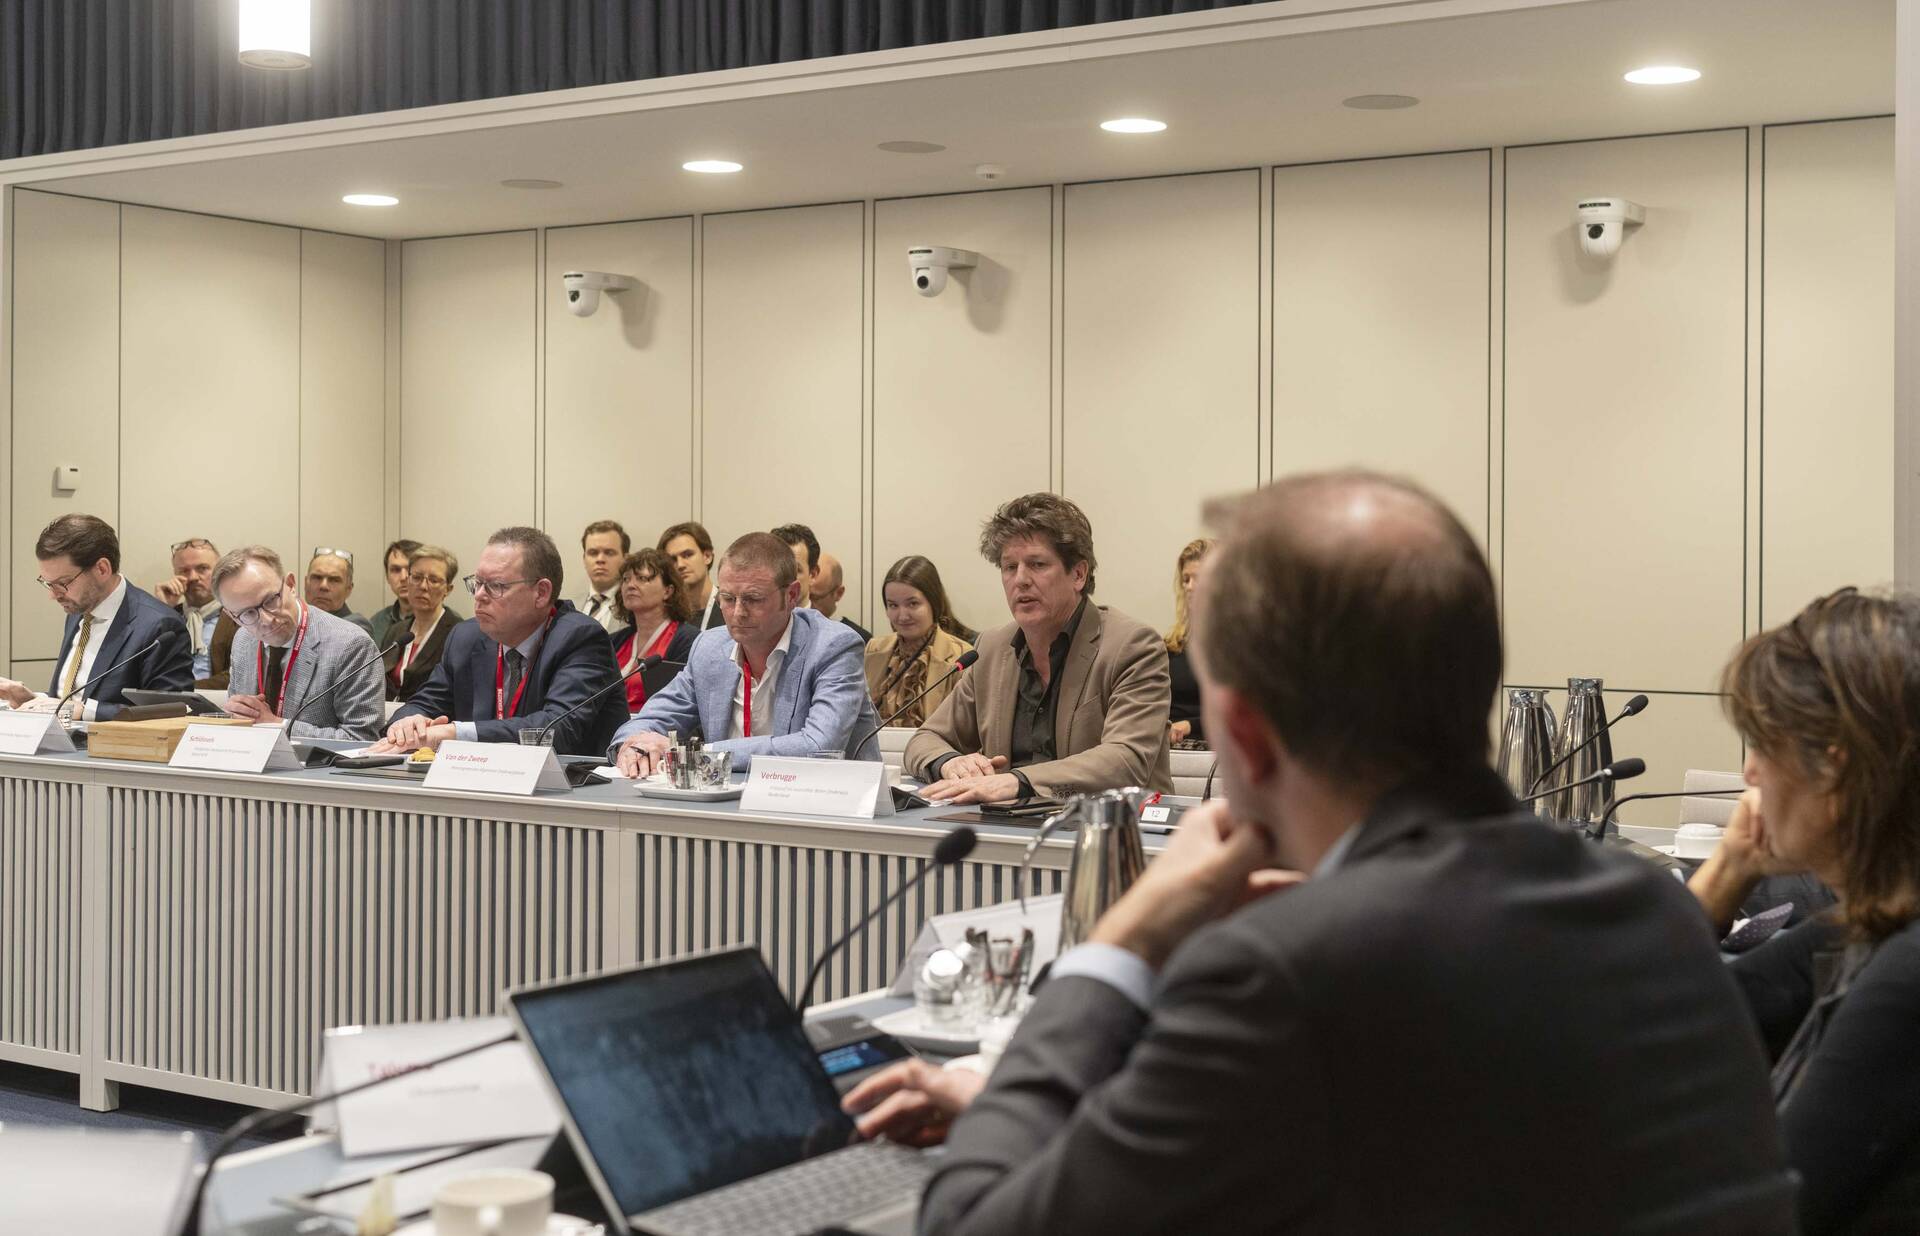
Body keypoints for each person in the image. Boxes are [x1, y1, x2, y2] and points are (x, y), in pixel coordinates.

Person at [852, 471, 1795, 1234]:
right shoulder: (1657, 916)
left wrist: (1113, 955)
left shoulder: (1285, 973)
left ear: (1247, 740)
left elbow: (971, 1222)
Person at [1686, 587, 1920, 1233]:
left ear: (1837, 775)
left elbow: (1768, 1218)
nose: (1749, 774)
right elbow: (1671, 1015)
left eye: (1762, 745)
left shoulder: (1907, 972)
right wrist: (1731, 867)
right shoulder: (1862, 926)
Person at [902, 493, 1172, 803]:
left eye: (1037, 565)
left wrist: (1017, 782)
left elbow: (1127, 760)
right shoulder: (991, 648)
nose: (1020, 580)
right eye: (1009, 567)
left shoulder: (1133, 646)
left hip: (1116, 834)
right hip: (1006, 833)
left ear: (1078, 574)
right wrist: (950, 762)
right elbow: (925, 740)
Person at [609, 533, 881, 774]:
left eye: (753, 599)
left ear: (791, 596)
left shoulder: (833, 646)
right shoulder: (711, 648)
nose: (738, 612)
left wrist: (704, 753)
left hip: (825, 810)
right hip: (730, 808)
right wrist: (633, 747)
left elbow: (819, 746)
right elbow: (646, 720)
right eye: (727, 599)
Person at [371, 526, 625, 757]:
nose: (479, 596)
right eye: (478, 583)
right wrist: (408, 721)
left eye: (496, 586)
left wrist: (455, 733)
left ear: (541, 592)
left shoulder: (580, 639)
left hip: (570, 795)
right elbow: (424, 703)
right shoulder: (466, 637)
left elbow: (557, 728)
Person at [0, 514, 194, 721]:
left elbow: (172, 712)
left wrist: (85, 712)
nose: (53, 595)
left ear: (102, 569)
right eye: (48, 583)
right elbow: (72, 701)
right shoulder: (78, 611)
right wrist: (32, 701)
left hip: (113, 750)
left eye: (62, 583)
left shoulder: (160, 626)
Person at [214, 546, 385, 741]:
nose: (266, 619)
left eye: (271, 600)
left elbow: (362, 738)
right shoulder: (243, 640)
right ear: (232, 616)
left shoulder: (351, 645)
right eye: (247, 614)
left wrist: (277, 726)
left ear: (290, 584)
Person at [865, 555, 973, 729]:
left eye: (913, 604)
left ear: (933, 603)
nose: (902, 615)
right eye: (893, 605)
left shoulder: (962, 656)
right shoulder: (873, 650)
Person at [608, 548, 698, 713]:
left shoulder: (688, 640)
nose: (631, 585)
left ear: (667, 591)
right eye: (626, 579)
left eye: (642, 578)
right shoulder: (613, 641)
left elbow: (680, 703)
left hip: (655, 730)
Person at [153, 536, 237, 688]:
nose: (192, 577)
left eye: (202, 568)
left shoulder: (240, 616)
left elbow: (238, 675)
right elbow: (150, 667)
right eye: (184, 571)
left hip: (220, 707)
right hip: (170, 706)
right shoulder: (170, 617)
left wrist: (186, 690)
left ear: (220, 571)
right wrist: (161, 609)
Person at [382, 546, 458, 704]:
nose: (423, 586)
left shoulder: (457, 633)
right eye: (416, 577)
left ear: (448, 589)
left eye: (434, 580)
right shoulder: (396, 631)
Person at [1164, 537, 1212, 744]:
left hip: (1217, 757)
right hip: (1172, 753)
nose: (1190, 587)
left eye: (1199, 579)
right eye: (1186, 579)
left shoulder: (1239, 647)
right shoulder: (1170, 647)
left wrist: (1190, 725)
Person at [659, 520, 725, 631]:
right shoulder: (665, 616)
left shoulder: (730, 606)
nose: (680, 565)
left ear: (707, 556)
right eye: (672, 559)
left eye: (687, 555)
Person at [367, 538, 421, 649]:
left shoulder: (443, 621)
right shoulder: (376, 622)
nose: (403, 577)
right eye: (396, 570)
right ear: (387, 577)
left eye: (410, 569)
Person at [303, 548, 372, 633]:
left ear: (348, 589)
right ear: (306, 583)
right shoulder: (294, 620)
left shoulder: (357, 626)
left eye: (334, 580)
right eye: (317, 577)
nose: (323, 586)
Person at [578, 519, 629, 633]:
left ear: (626, 559)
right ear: (584, 559)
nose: (600, 559)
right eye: (593, 553)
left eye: (609, 553)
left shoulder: (635, 609)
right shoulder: (567, 608)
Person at [811, 550, 873, 643]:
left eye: (814, 598)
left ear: (839, 593)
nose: (806, 604)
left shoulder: (860, 639)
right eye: (802, 596)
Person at [771, 522, 820, 607]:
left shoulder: (821, 621)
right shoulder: (750, 619)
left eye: (794, 570)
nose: (783, 578)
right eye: (776, 568)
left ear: (813, 575)